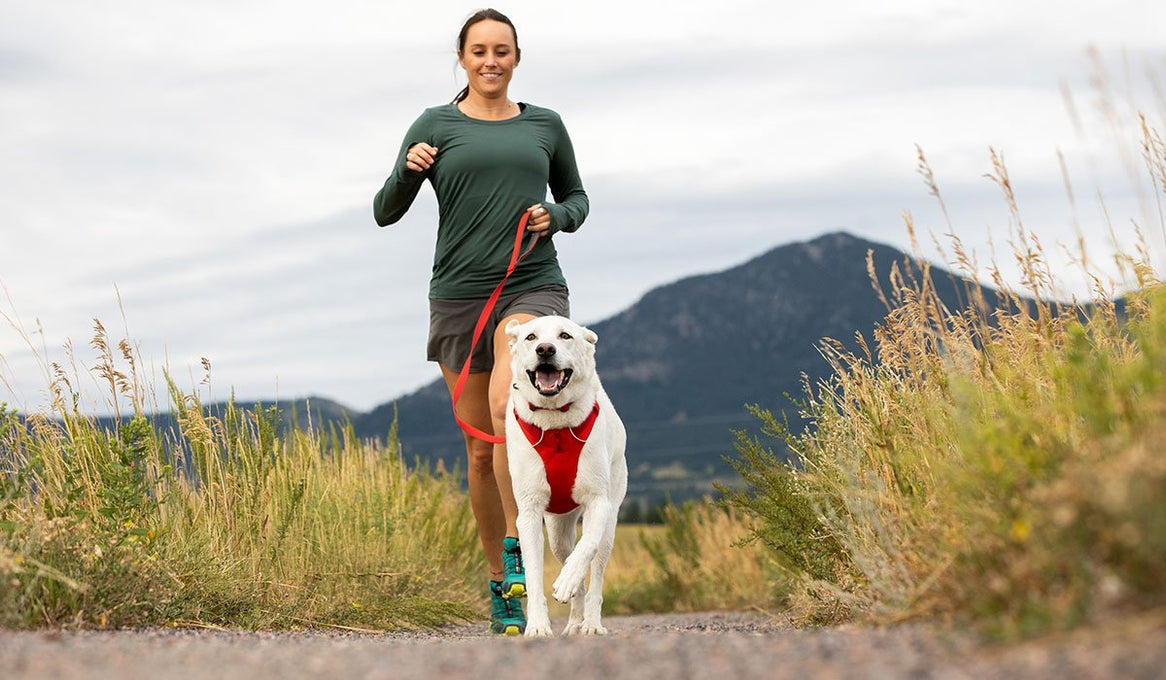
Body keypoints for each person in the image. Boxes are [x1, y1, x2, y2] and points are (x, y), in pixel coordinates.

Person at [372, 8, 588, 636]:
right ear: (461, 59)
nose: (491, 61)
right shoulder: (434, 125)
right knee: (476, 446)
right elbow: (387, 211)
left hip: (532, 281)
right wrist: (407, 169)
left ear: (517, 57)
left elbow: (577, 198)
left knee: (503, 412)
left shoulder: (545, 125)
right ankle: (504, 584)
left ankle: (528, 554)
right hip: (460, 294)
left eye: (502, 51)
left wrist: (557, 216)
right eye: (479, 51)